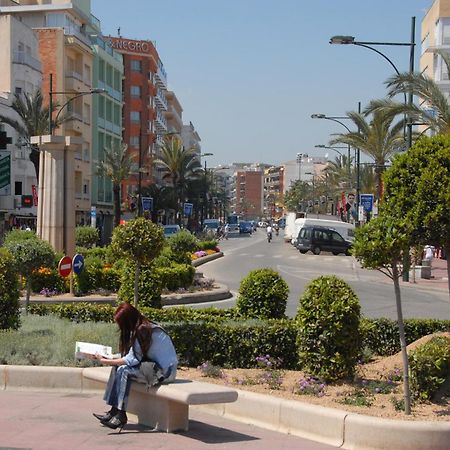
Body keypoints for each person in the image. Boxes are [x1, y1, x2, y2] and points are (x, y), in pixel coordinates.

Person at [92, 303, 178, 431]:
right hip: (153, 367)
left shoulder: (142, 330)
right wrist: (110, 357)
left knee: (123, 370)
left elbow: (131, 360)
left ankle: (121, 414)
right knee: (117, 367)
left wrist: (106, 361)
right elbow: (132, 355)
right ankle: (114, 410)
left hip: (164, 372)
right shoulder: (141, 326)